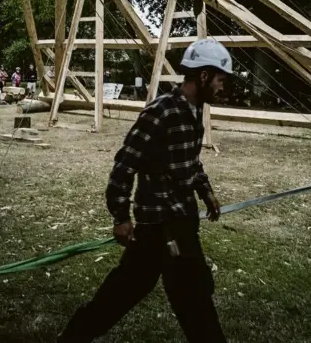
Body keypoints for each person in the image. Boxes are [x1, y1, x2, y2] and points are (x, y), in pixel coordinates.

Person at [58, 39, 233, 343]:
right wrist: (121, 216)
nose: (222, 86)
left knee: (151, 290)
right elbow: (125, 163)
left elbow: (190, 160)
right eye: (219, 79)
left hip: (181, 221)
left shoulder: (195, 111)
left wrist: (206, 191)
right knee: (186, 298)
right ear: (203, 76)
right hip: (161, 227)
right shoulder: (161, 111)